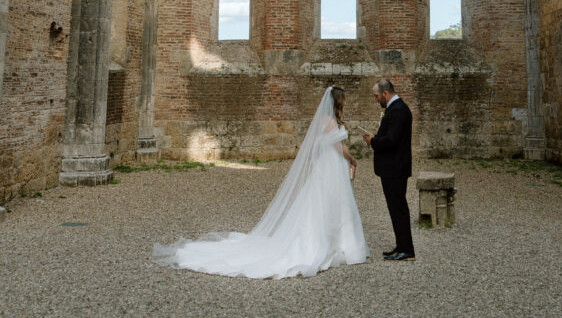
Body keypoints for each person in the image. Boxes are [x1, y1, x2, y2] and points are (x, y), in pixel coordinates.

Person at [152, 86, 368, 278]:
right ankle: (327, 244)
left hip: (326, 167)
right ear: (339, 101)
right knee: (327, 203)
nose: (345, 102)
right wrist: (352, 158)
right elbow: (337, 147)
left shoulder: (324, 119)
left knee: (322, 203)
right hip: (330, 166)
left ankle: (333, 242)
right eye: (344, 99)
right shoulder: (331, 121)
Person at [363, 77, 415, 261]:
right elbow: (392, 136)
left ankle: (407, 250)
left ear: (386, 93)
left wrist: (373, 141)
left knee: (398, 208)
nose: (375, 99)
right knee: (395, 208)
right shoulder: (393, 109)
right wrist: (378, 136)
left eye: (376, 96)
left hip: (395, 169)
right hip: (392, 168)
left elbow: (392, 141)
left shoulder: (398, 110)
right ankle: (401, 246)